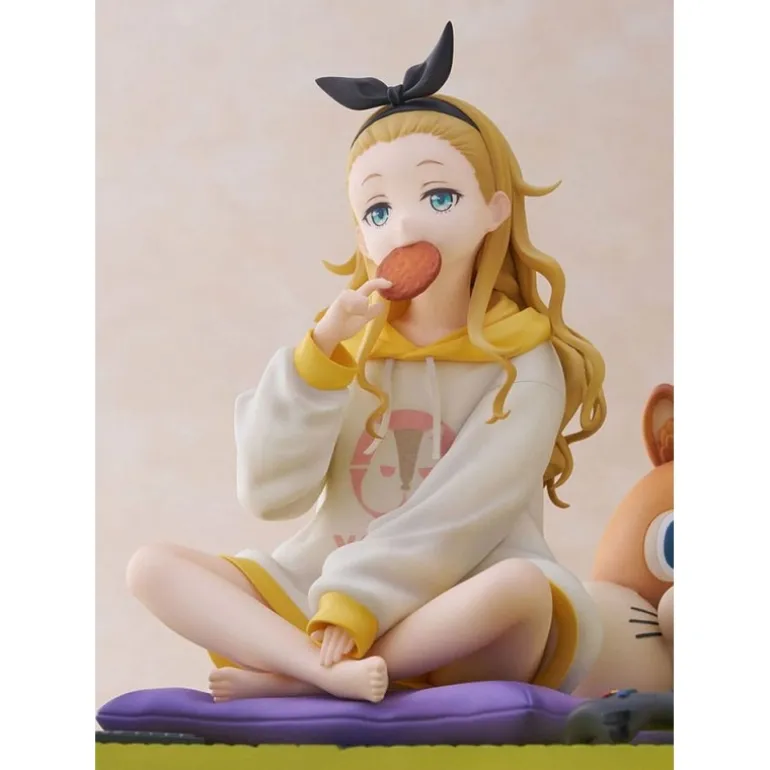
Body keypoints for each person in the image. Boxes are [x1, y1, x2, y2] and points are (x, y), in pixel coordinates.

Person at [127, 22, 607, 704]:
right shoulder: (347, 344)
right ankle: (323, 674)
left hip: (452, 605)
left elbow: (468, 507)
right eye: (379, 210)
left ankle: (297, 681)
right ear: (360, 233)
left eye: (439, 197)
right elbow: (270, 494)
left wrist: (357, 602)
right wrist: (319, 359)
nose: (405, 226)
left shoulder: (523, 360)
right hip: (323, 595)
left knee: (520, 588)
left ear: (495, 209)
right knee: (151, 567)